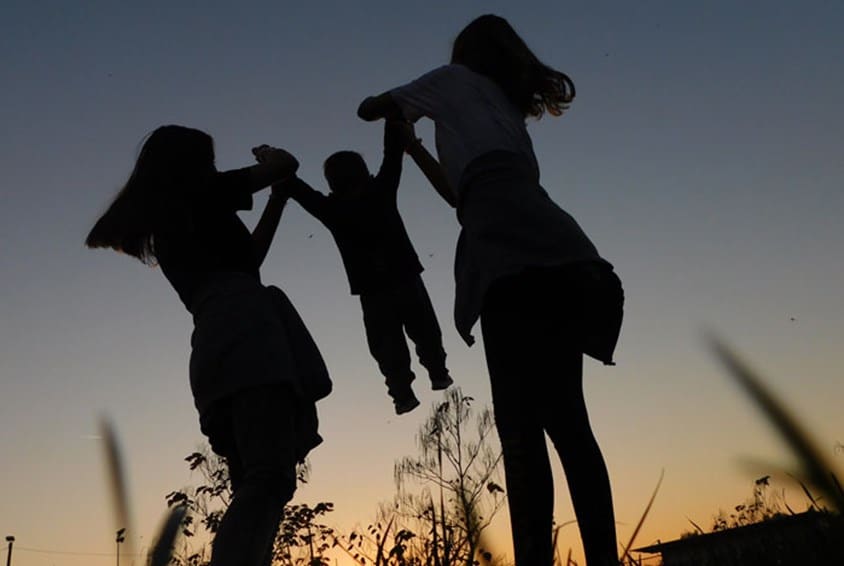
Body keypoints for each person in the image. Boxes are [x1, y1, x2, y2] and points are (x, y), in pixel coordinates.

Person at [357, 15, 624, 566]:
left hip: (507, 257)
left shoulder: (450, 80)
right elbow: (467, 195)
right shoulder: (505, 112)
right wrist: (414, 149)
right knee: (571, 425)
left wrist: (393, 105)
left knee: (521, 433)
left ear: (465, 53)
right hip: (556, 246)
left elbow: (369, 107)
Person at [85, 125, 332, 566]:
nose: (214, 168)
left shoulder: (178, 215)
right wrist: (267, 155)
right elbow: (285, 164)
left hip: (220, 337)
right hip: (247, 331)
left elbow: (248, 261)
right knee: (270, 477)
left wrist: (277, 198)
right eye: (209, 160)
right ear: (192, 164)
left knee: (258, 479)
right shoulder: (200, 192)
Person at [276, 120, 452, 415]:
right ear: (364, 174)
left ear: (331, 184)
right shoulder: (380, 192)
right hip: (404, 277)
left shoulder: (332, 210)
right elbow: (392, 153)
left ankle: (402, 392)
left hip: (373, 290)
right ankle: (436, 371)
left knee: (386, 345)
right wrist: (390, 116)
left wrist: (270, 157)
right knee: (424, 329)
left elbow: (297, 188)